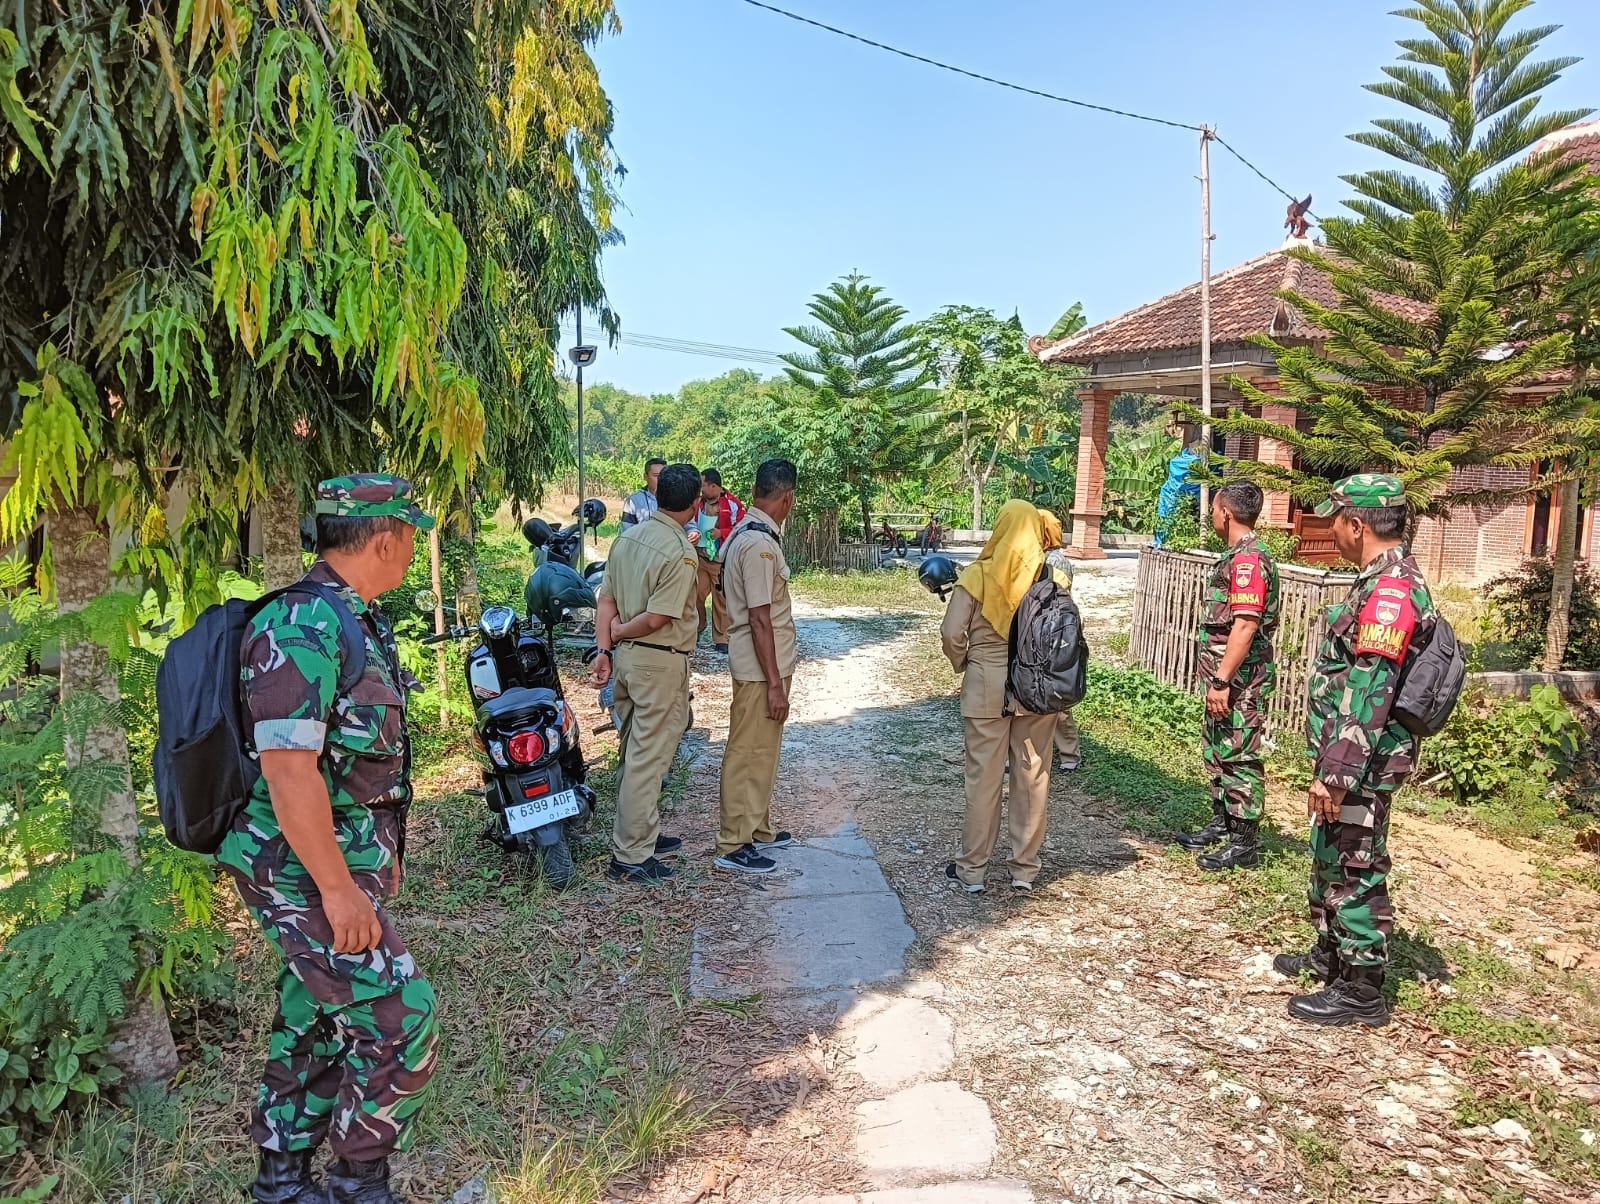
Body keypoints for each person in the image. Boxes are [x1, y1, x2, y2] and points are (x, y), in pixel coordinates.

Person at [218, 475, 438, 1204]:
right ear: (385, 539)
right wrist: (339, 891)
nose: (411, 550)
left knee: (310, 1017)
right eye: (409, 536)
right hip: (298, 869)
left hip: (329, 863)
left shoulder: (352, 618)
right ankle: (357, 1185)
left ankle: (280, 1183)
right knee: (402, 1017)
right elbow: (288, 775)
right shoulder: (301, 625)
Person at [1276, 473, 1434, 1028]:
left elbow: (1372, 687)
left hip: (1361, 758)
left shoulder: (1390, 590)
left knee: (1355, 861)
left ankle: (1362, 989)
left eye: (1335, 518)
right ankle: (1333, 955)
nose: (1332, 528)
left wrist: (1337, 770)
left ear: (1356, 524)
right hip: (1348, 756)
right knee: (1330, 849)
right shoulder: (1375, 580)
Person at [591, 463, 702, 884]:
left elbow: (606, 601)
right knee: (649, 758)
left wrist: (606, 647)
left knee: (633, 749)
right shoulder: (679, 551)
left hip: (628, 662)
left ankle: (641, 833)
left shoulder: (627, 540)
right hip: (658, 660)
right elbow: (657, 617)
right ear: (694, 505)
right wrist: (620, 632)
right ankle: (631, 855)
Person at [941, 500, 1059, 893]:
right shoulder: (1050, 577)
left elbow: (951, 633)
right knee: (1033, 776)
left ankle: (972, 870)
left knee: (984, 781)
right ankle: (1025, 870)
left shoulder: (977, 576)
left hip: (987, 686)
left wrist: (968, 663)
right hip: (1038, 690)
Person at [1175, 480, 1281, 871]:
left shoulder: (1250, 561)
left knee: (1240, 755)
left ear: (1226, 513)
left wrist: (1222, 680)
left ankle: (1244, 843)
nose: (1212, 516)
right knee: (1218, 749)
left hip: (1240, 681)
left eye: (1214, 509)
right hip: (1224, 678)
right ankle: (1222, 821)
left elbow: (1245, 626)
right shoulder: (1237, 556)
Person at [715, 458, 800, 873]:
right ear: (788, 498)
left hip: (762, 666)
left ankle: (757, 826)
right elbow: (760, 618)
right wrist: (774, 684)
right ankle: (734, 842)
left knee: (763, 750)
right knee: (747, 751)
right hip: (758, 670)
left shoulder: (748, 533)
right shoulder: (759, 545)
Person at [1038, 509, 1082, 772]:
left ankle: (1069, 755)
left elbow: (1056, 600)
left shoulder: (1056, 561)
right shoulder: (1035, 556)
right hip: (1036, 632)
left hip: (1056, 633)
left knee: (1058, 696)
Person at [691, 467, 746, 654]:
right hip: (701, 556)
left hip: (720, 560)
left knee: (721, 598)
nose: (700, 489)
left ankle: (722, 637)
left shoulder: (732, 504)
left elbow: (741, 528)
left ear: (714, 486)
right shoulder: (698, 503)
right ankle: (697, 628)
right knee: (696, 594)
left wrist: (721, 533)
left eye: (703, 485)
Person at [620, 457, 667, 529]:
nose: (660, 479)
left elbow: (688, 524)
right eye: (656, 475)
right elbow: (626, 529)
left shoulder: (677, 497)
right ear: (645, 476)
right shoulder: (634, 500)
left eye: (664, 475)